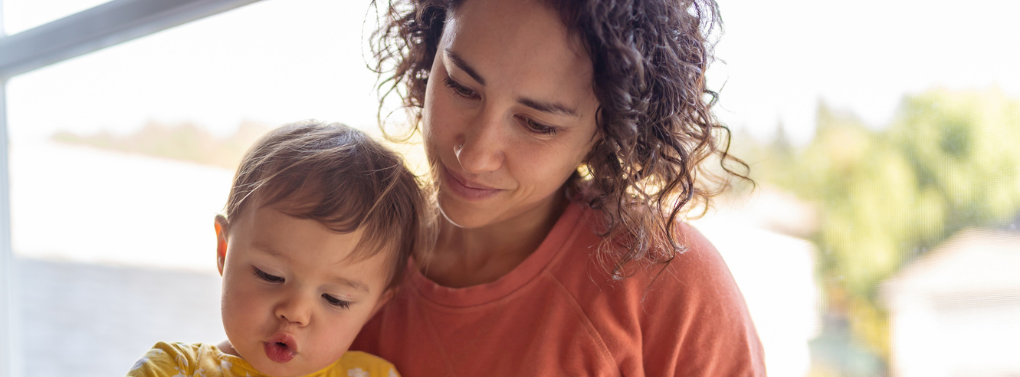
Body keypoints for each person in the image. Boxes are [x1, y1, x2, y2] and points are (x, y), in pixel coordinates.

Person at [352, 0, 766, 375]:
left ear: (607, 131)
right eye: (460, 86)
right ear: (431, 48)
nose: (474, 155)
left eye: (537, 124)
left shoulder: (669, 288)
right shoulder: (333, 256)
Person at [128, 121, 425, 377]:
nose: (295, 312)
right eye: (269, 275)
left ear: (376, 305)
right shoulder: (170, 370)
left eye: (335, 299)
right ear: (224, 249)